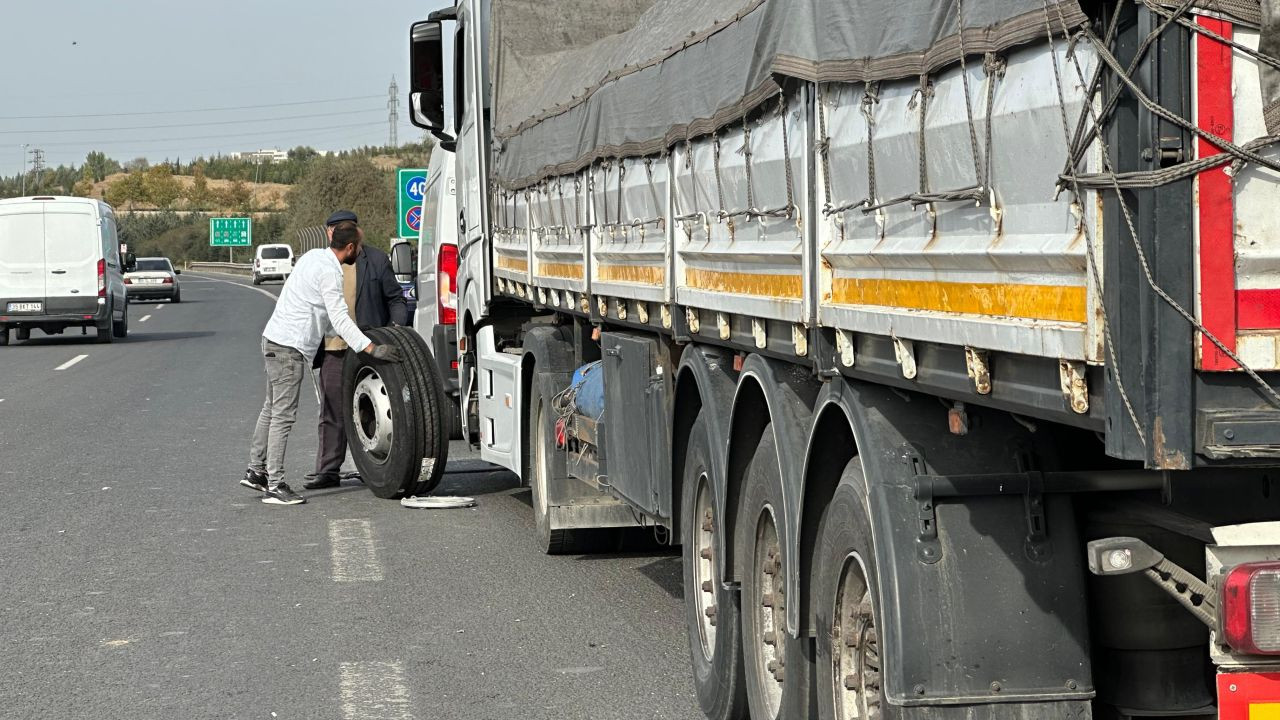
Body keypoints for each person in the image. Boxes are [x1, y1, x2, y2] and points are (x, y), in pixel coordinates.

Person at [241, 223, 401, 505]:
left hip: (272, 339)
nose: (361, 251)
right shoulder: (330, 272)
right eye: (359, 246)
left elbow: (322, 318)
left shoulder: (312, 257)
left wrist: (356, 335)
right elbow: (338, 318)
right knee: (283, 415)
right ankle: (275, 484)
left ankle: (256, 471)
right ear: (350, 247)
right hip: (288, 349)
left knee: (271, 408)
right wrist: (371, 348)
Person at [304, 210, 408, 491]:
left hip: (370, 348)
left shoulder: (375, 260)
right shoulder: (321, 263)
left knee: (373, 408)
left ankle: (376, 465)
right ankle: (327, 470)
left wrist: (395, 330)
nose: (333, 233)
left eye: (339, 229)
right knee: (332, 411)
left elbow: (396, 299)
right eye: (331, 229)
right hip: (334, 349)